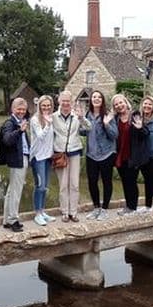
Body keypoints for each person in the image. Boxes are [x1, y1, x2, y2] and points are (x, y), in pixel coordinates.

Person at [79, 90, 117, 221]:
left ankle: (105, 209)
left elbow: (114, 135)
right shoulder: (88, 114)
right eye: (94, 97)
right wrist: (81, 121)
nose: (96, 99)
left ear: (102, 100)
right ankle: (96, 208)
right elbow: (84, 132)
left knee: (107, 182)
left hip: (106, 153)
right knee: (92, 182)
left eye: (99, 97)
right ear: (91, 100)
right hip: (91, 154)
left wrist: (106, 124)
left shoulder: (107, 115)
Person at [52, 90, 88, 223]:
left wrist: (82, 118)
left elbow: (89, 128)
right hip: (60, 154)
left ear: (71, 102)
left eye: (68, 101)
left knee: (74, 184)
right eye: (63, 101)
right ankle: (65, 212)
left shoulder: (76, 116)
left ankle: (73, 212)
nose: (66, 103)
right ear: (59, 102)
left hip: (74, 153)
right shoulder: (53, 117)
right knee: (63, 185)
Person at [112, 93, 149, 215]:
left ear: (125, 102)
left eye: (120, 102)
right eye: (116, 104)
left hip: (133, 156)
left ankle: (132, 207)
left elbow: (145, 134)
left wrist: (140, 128)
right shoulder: (115, 119)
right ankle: (128, 206)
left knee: (132, 182)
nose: (119, 105)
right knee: (124, 181)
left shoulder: (135, 115)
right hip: (120, 156)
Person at [0, 97, 30, 232]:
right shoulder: (10, 123)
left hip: (21, 158)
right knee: (16, 191)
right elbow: (7, 140)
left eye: (23, 109)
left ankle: (6, 219)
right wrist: (20, 131)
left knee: (11, 191)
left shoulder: (20, 122)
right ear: (13, 109)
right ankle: (13, 220)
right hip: (17, 160)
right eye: (19, 109)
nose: (21, 111)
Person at [29, 95, 56, 226]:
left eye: (48, 105)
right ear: (39, 106)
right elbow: (40, 136)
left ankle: (42, 211)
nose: (46, 108)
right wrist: (48, 124)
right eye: (43, 105)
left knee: (45, 187)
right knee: (39, 186)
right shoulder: (35, 120)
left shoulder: (51, 118)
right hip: (37, 157)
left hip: (47, 157)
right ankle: (37, 214)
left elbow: (51, 138)